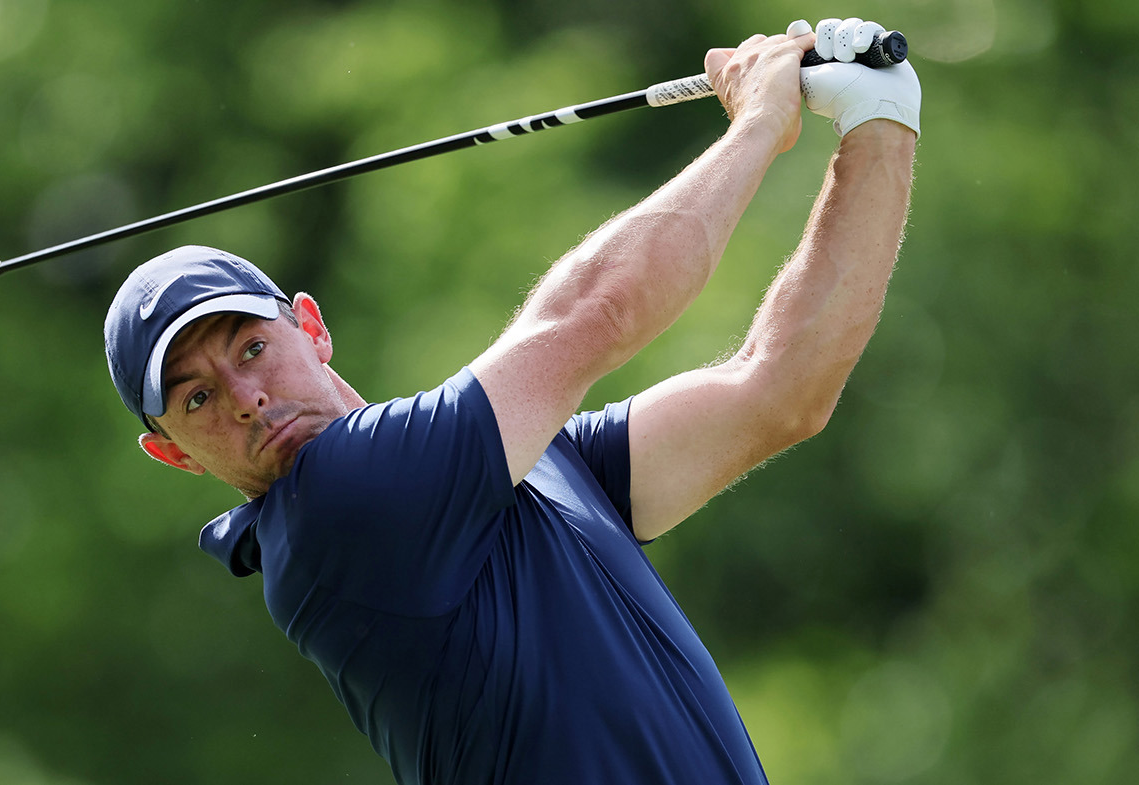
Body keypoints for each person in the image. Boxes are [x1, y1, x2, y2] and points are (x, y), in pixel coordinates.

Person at [102, 17, 919, 785]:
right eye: (198, 396)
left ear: (310, 327)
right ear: (173, 450)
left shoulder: (531, 464)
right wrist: (758, 124)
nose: (247, 398)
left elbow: (779, 391)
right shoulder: (334, 507)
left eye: (252, 348)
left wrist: (878, 122)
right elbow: (596, 312)